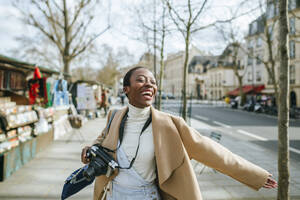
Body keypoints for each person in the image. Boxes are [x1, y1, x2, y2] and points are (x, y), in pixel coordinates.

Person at [81, 66, 277, 200]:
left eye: (153, 82)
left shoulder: (170, 124)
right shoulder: (114, 116)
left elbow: (211, 151)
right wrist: (90, 149)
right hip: (114, 194)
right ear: (126, 89)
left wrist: (255, 174)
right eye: (140, 80)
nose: (149, 84)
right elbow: (102, 141)